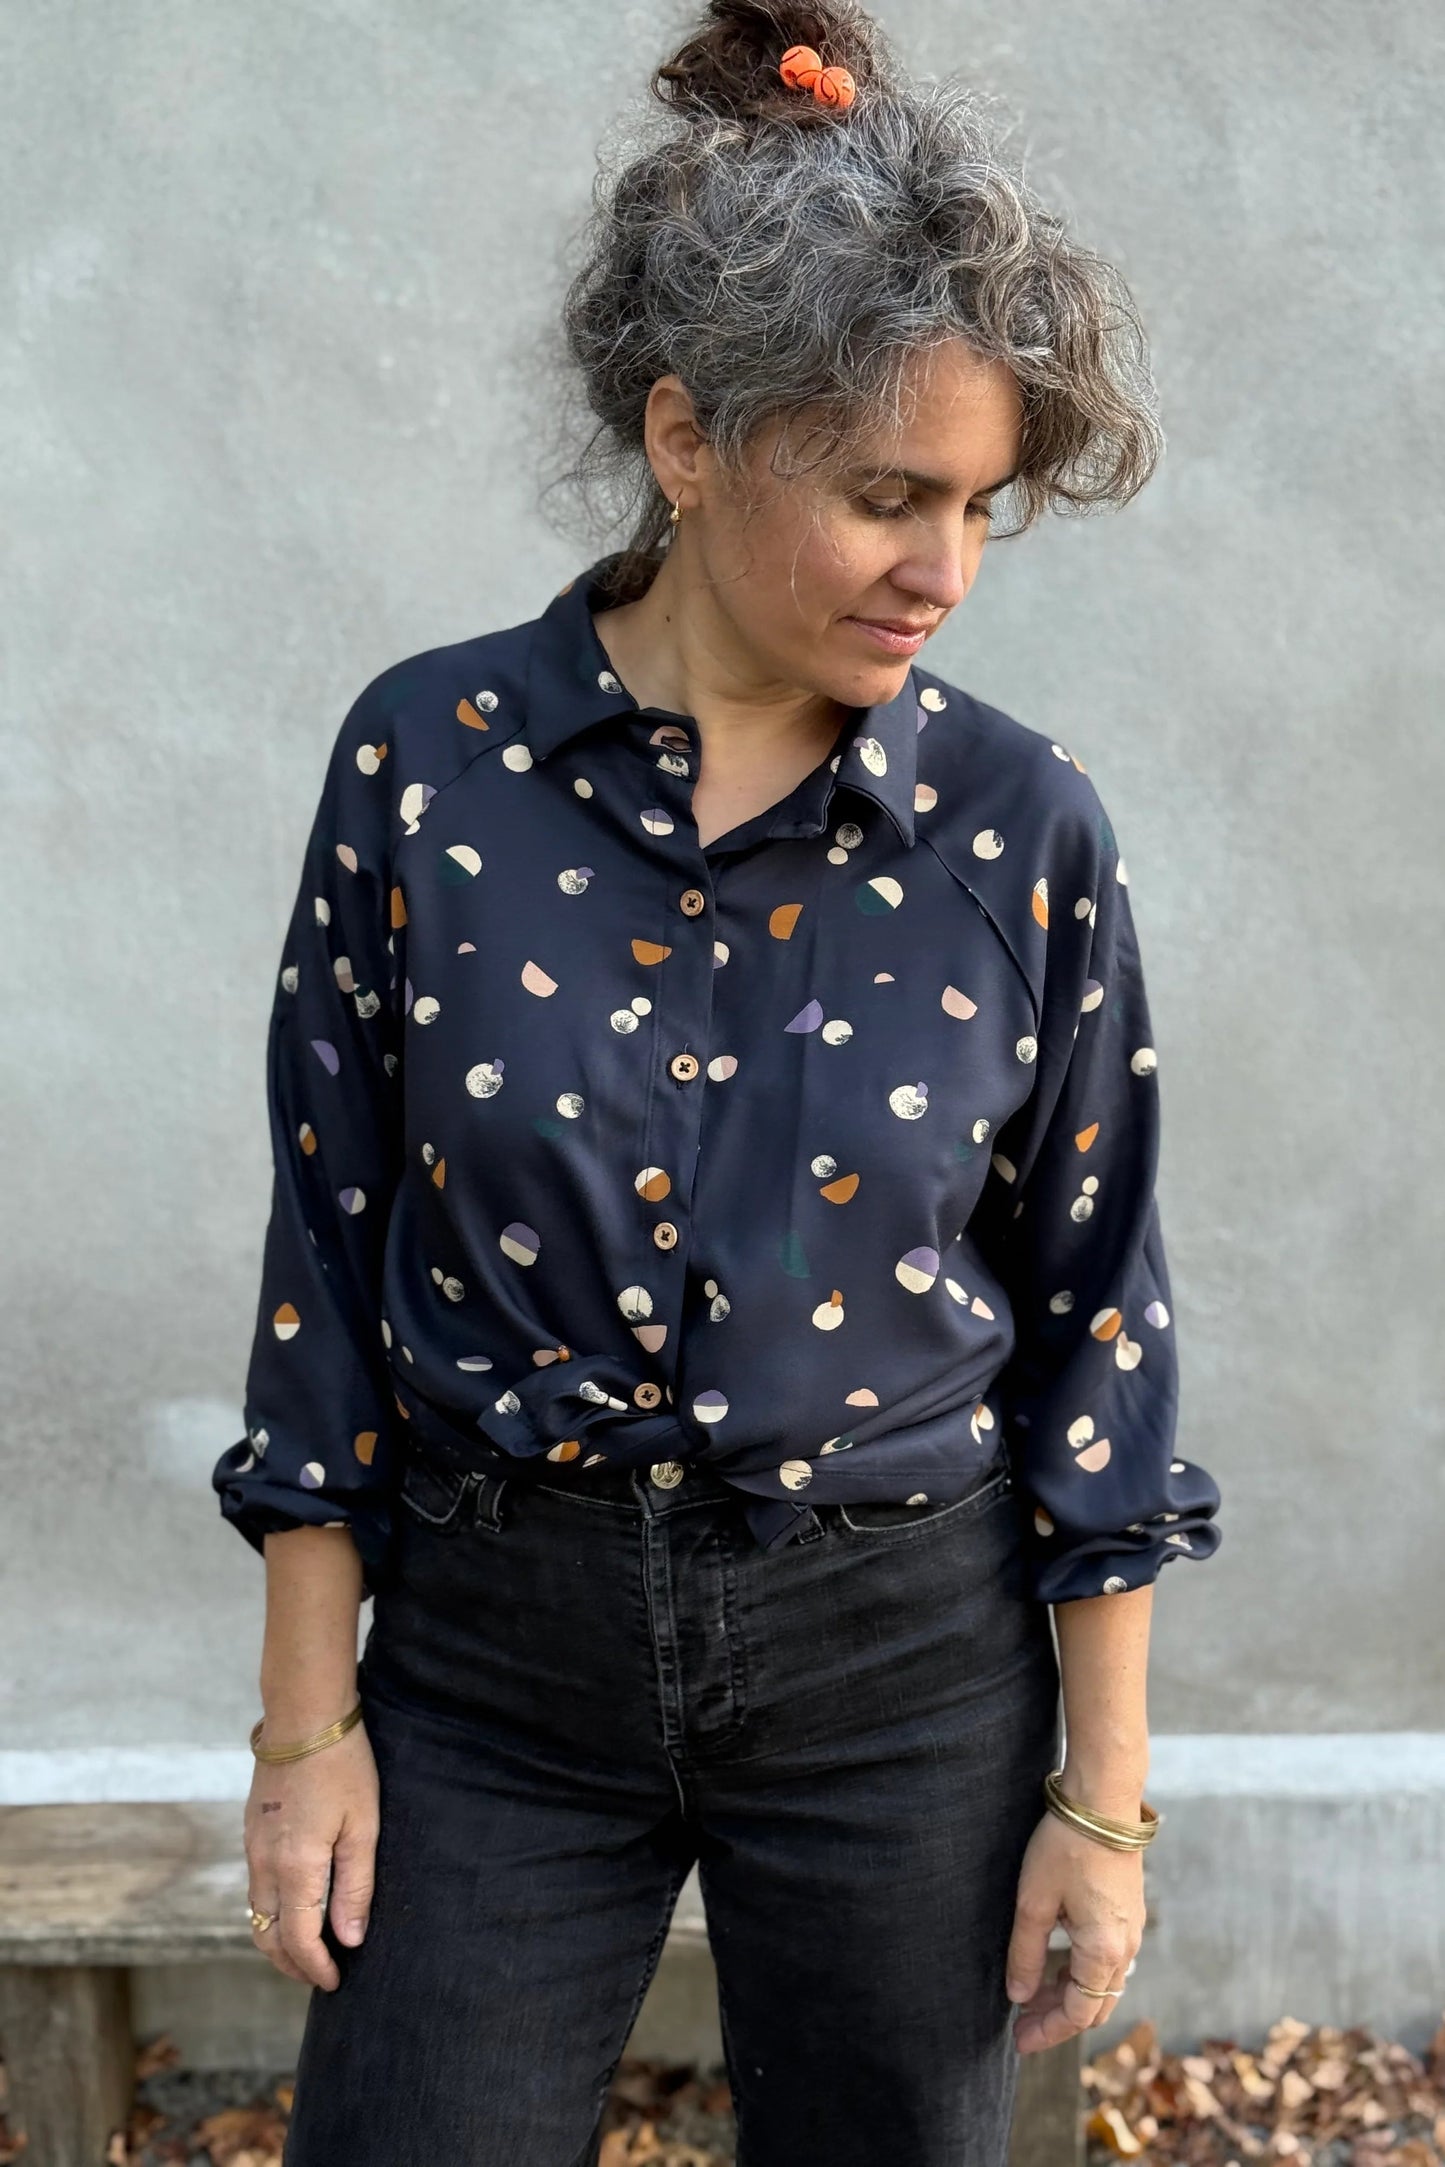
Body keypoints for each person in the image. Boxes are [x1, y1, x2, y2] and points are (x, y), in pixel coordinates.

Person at [213, 3, 1222, 2160]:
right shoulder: (433, 767)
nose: (942, 571)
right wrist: (308, 1725)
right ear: (690, 437)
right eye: (883, 497)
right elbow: (329, 1238)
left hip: (904, 1675)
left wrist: (1101, 1802)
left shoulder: (1021, 834)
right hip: (495, 1671)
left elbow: (1099, 1313)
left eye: (979, 509)